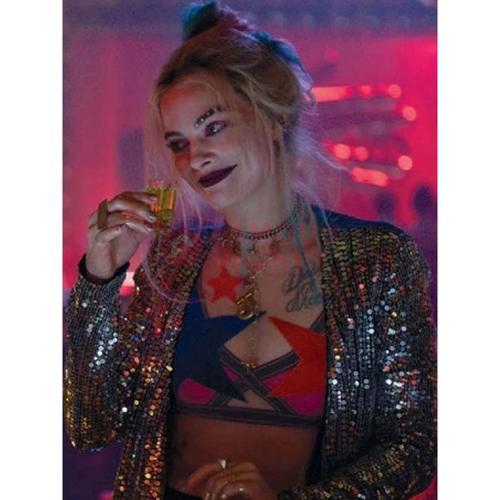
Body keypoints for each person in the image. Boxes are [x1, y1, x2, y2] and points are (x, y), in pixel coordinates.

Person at [64, 2, 437, 499]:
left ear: (273, 116)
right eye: (178, 142)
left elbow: (415, 447)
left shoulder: (377, 260)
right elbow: (90, 426)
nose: (196, 157)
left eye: (213, 127)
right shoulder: (174, 259)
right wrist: (98, 277)